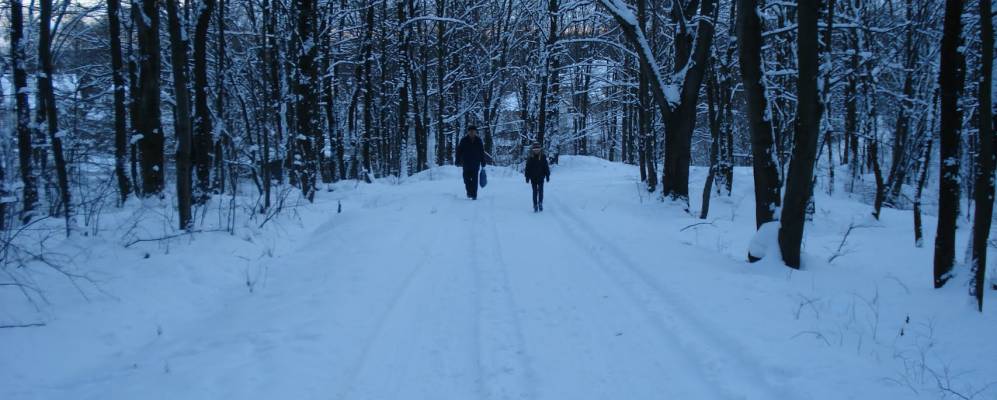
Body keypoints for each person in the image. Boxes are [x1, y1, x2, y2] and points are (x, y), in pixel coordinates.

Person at [455, 125, 487, 200]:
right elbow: (459, 151)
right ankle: (469, 192)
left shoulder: (478, 140)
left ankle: (474, 195)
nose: (472, 132)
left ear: (475, 132)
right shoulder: (464, 140)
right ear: (468, 132)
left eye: (473, 131)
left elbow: (481, 152)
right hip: (466, 163)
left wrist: (483, 161)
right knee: (466, 179)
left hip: (476, 163)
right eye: (470, 131)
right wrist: (457, 160)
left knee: (475, 180)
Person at [524, 143, 550, 212]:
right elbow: (527, 168)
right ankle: (535, 205)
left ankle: (540, 203)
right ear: (533, 150)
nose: (536, 151)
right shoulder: (530, 158)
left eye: (537, 149)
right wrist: (527, 177)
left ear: (540, 150)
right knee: (535, 192)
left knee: (541, 191)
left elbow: (546, 167)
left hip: (541, 177)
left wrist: (547, 175)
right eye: (535, 149)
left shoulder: (543, 157)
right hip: (533, 178)